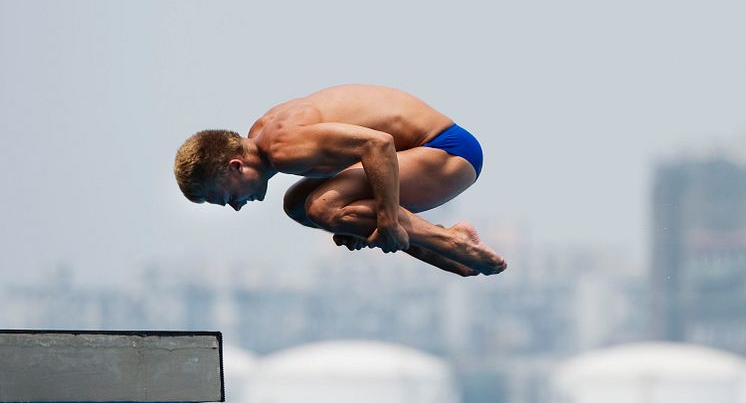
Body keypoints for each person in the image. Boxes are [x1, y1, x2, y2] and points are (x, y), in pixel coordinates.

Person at [174, 84, 506, 276]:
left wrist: (386, 218)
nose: (235, 206)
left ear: (236, 167)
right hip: (426, 152)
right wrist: (350, 223)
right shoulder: (264, 135)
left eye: (226, 197)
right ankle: (448, 248)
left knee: (322, 206)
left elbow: (378, 145)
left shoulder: (283, 147)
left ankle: (452, 242)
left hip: (448, 152)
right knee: (297, 206)